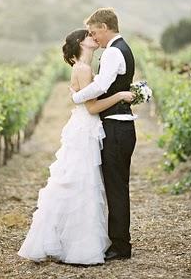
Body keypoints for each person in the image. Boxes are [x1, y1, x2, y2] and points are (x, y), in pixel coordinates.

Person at [17, 29, 135, 266]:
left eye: (94, 33)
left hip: (87, 129)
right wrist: (121, 95)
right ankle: (77, 245)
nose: (93, 37)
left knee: (83, 184)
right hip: (85, 130)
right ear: (81, 43)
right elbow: (92, 107)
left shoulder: (84, 67)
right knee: (82, 185)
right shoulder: (83, 69)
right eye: (89, 35)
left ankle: (72, 241)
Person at [72, 8, 136, 261]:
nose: (93, 36)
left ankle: (121, 245)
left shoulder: (112, 51)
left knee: (116, 187)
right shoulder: (124, 48)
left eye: (94, 30)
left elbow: (101, 86)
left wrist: (76, 97)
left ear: (105, 26)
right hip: (121, 126)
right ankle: (119, 241)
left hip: (116, 128)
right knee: (117, 185)